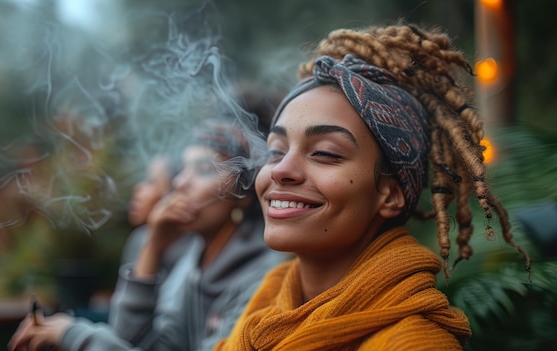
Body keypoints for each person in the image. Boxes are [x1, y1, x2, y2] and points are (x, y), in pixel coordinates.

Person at [214, 23, 531, 351]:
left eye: (325, 153)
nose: (281, 170)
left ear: (390, 195)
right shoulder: (265, 309)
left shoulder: (415, 344)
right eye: (275, 151)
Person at [8, 114, 288, 351]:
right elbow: (137, 342)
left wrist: (73, 334)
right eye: (182, 170)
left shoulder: (265, 273)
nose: (180, 183)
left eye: (203, 170)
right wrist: (152, 246)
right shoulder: (196, 261)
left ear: (242, 193)